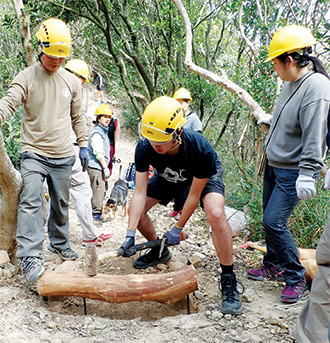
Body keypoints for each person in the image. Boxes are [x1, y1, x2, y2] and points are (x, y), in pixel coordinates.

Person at [119, 96, 243, 315]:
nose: (154, 145)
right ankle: (159, 251)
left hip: (201, 178)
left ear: (177, 133)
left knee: (215, 212)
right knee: (135, 214)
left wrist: (178, 228)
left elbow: (193, 195)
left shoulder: (199, 147)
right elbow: (138, 192)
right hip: (169, 176)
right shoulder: (146, 146)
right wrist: (130, 233)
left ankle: (228, 277)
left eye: (160, 141)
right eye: (151, 140)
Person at [0, 18, 89, 284]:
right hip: (34, 153)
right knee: (31, 199)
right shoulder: (27, 77)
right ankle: (30, 256)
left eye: (61, 57)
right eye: (51, 56)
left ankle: (60, 243)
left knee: (61, 204)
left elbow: (78, 117)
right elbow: (9, 103)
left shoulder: (72, 82)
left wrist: (84, 145)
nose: (56, 61)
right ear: (40, 47)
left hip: (63, 154)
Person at [248, 25, 330, 303]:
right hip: (274, 165)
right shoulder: (290, 83)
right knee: (268, 218)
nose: (274, 68)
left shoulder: (317, 87)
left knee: (274, 221)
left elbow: (314, 134)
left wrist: (308, 173)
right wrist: (272, 120)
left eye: (274, 63)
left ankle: (294, 275)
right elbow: (293, 121)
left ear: (290, 60)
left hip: (293, 172)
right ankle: (273, 264)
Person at [64, 59, 112, 245]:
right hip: (65, 150)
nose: (82, 85)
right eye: (81, 81)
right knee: (77, 190)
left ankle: (84, 233)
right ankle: (84, 234)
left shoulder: (69, 96)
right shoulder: (64, 95)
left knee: (69, 192)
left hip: (72, 149)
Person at [166, 87, 203, 219]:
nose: (180, 105)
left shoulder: (193, 119)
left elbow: (198, 138)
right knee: (177, 182)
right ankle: (176, 208)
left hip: (190, 156)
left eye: (182, 102)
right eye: (177, 102)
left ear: (188, 103)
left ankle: (183, 211)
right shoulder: (176, 118)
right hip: (177, 155)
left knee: (187, 185)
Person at [87, 104, 112, 222]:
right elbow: (98, 152)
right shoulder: (97, 133)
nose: (107, 119)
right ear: (98, 118)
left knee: (100, 188)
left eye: (109, 117)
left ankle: (96, 211)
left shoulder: (103, 132)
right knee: (97, 188)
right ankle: (96, 213)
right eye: (104, 117)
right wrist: (105, 167)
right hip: (95, 166)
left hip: (98, 166)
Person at [106, 109, 121, 176]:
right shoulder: (98, 121)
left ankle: (105, 183)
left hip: (110, 147)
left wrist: (116, 154)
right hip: (100, 146)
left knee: (108, 168)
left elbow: (117, 139)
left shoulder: (115, 123)